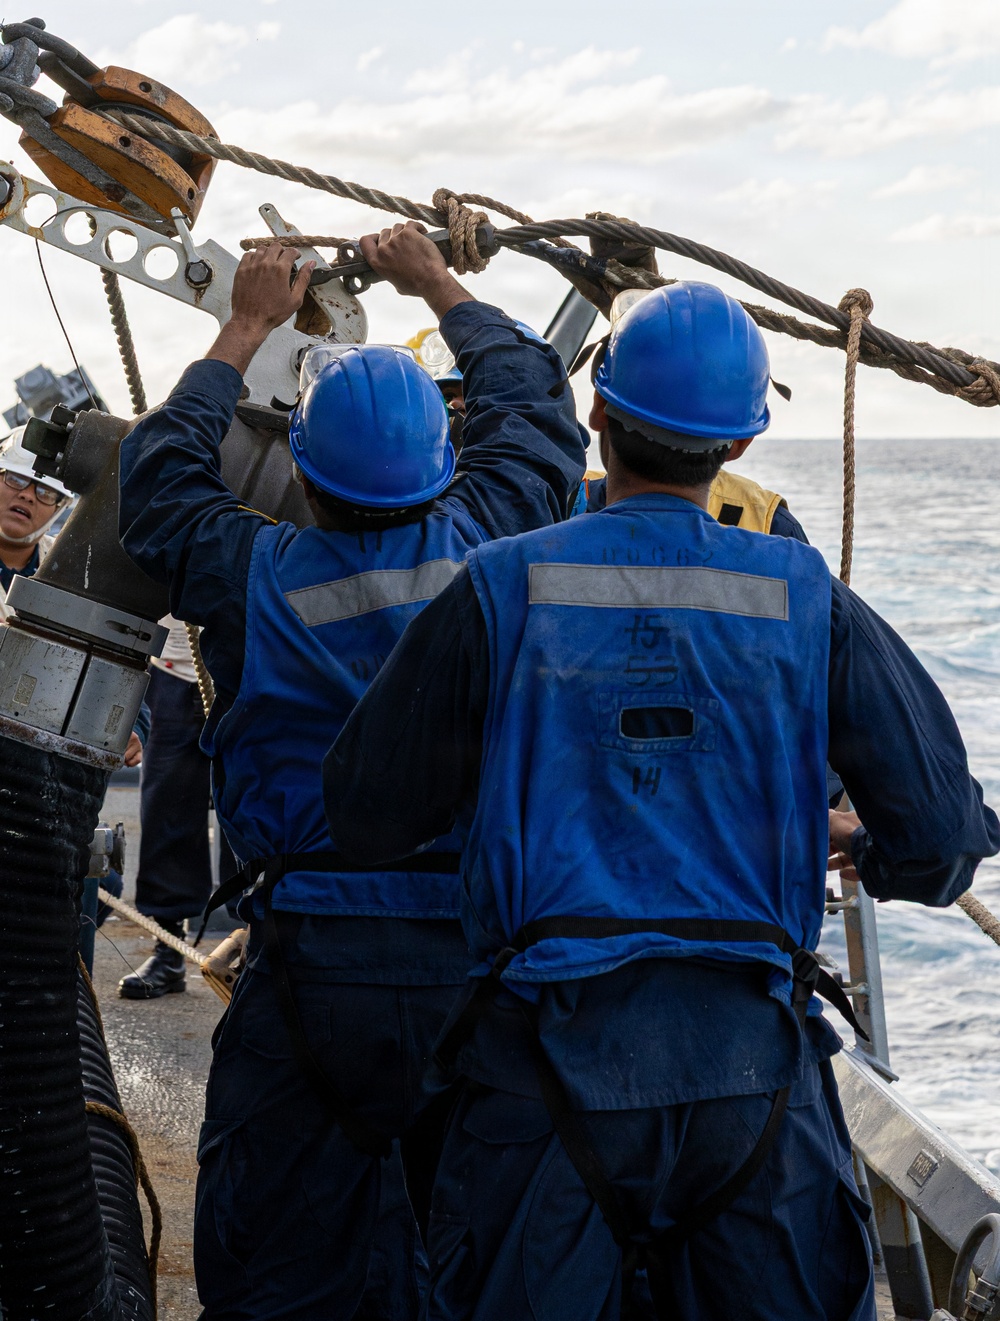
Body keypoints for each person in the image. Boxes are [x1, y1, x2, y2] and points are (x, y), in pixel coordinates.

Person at [324, 280, 1000, 1321]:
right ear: (736, 448)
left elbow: (367, 810)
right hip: (747, 1073)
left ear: (597, 416)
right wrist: (880, 853)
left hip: (541, 1071)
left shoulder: (500, 583)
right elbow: (943, 833)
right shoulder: (804, 593)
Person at [118, 224, 586, 1319]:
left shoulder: (246, 569)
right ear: (442, 465)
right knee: (480, 1247)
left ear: (305, 477)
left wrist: (246, 324)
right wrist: (435, 279)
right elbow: (535, 413)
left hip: (313, 959)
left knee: (282, 1251)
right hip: (481, 961)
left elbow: (161, 478)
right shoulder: (494, 541)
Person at [0, 428, 146, 767]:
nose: (28, 497)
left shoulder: (81, 574)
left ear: (62, 508)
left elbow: (118, 670)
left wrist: (128, 728)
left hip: (40, 769)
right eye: (16, 481)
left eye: (45, 491)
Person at [118, 615, 238, 1000]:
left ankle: (251, 946)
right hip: (171, 672)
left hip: (244, 665)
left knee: (248, 808)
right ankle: (167, 950)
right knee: (166, 807)